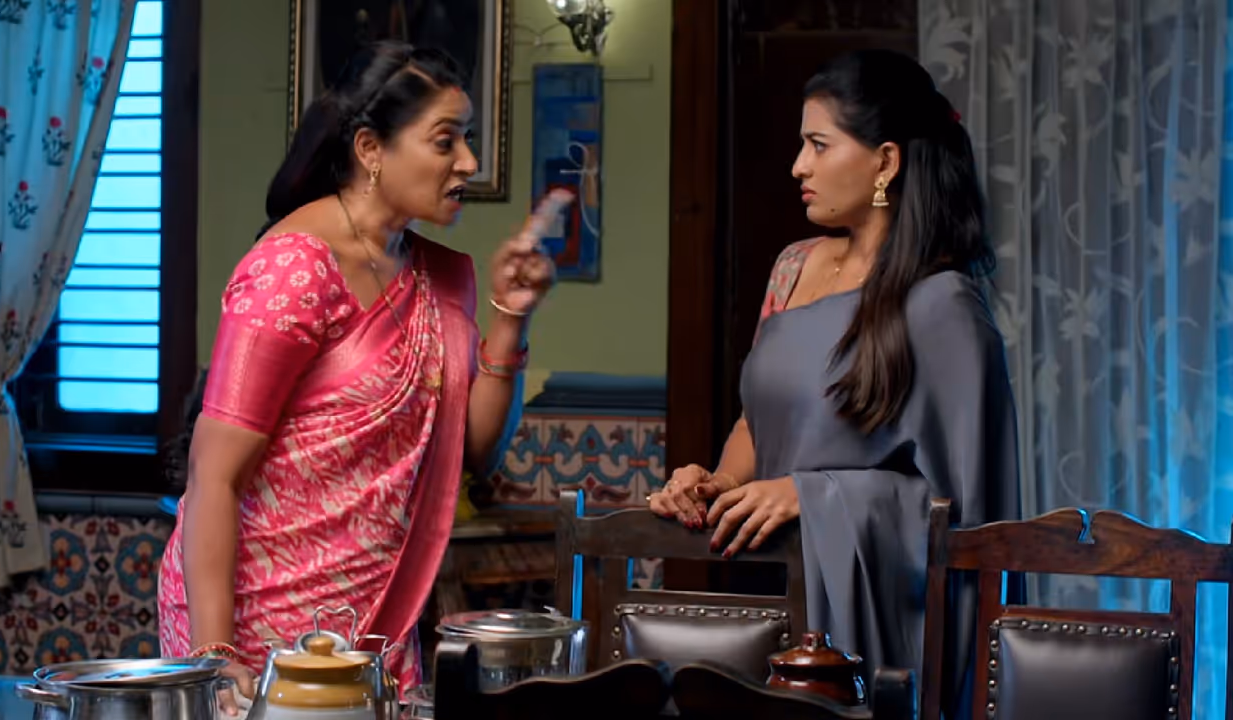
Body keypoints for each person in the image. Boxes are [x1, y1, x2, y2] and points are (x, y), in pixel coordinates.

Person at [157, 41, 567, 714]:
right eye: (446, 140)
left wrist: (511, 316)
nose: (469, 162)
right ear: (371, 149)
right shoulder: (294, 268)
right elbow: (213, 475)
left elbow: (475, 452)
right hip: (256, 631)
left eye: (467, 139)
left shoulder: (439, 277)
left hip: (374, 624)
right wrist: (215, 656)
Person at [648, 49, 1021, 718]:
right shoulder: (793, 267)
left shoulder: (943, 307)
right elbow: (758, 418)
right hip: (769, 591)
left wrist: (811, 494)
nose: (799, 166)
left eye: (818, 145)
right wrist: (719, 482)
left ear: (885, 162)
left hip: (874, 628)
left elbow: (967, 519)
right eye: (802, 145)